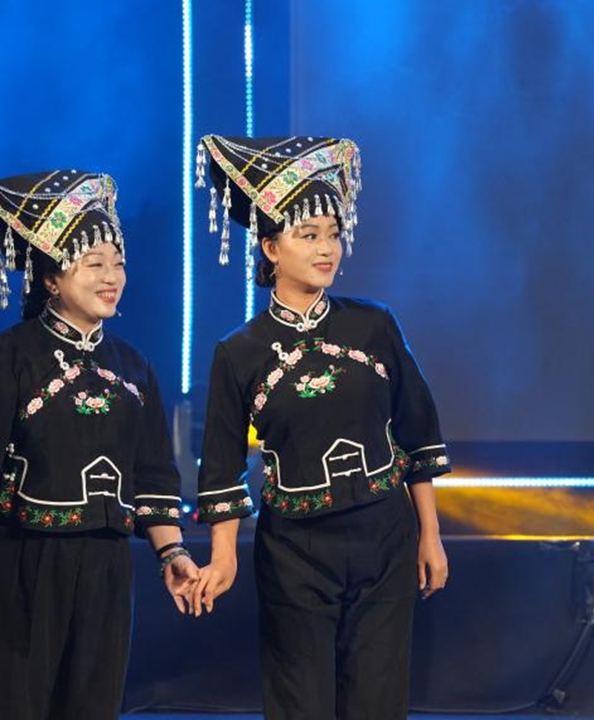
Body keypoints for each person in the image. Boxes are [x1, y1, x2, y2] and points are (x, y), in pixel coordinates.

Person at [190, 135, 451, 719]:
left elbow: (419, 431)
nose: (327, 248)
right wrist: (225, 556)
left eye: (333, 233)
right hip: (294, 548)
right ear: (271, 248)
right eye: (309, 235)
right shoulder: (240, 352)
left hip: (383, 533)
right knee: (300, 702)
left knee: (378, 701)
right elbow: (221, 463)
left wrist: (428, 534)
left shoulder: (374, 325)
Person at [0, 169, 196, 719]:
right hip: (24, 562)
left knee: (94, 704)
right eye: (95, 264)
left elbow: (155, 476)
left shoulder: (134, 367)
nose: (112, 277)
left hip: (108, 563)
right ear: (51, 280)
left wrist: (173, 553)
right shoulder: (13, 357)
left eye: (118, 263)